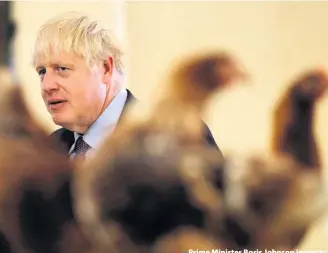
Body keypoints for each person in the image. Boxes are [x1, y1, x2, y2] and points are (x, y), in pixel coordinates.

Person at [32, 11, 221, 160]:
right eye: (42, 71)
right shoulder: (49, 151)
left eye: (62, 69)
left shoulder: (174, 137)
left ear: (106, 68)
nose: (47, 85)